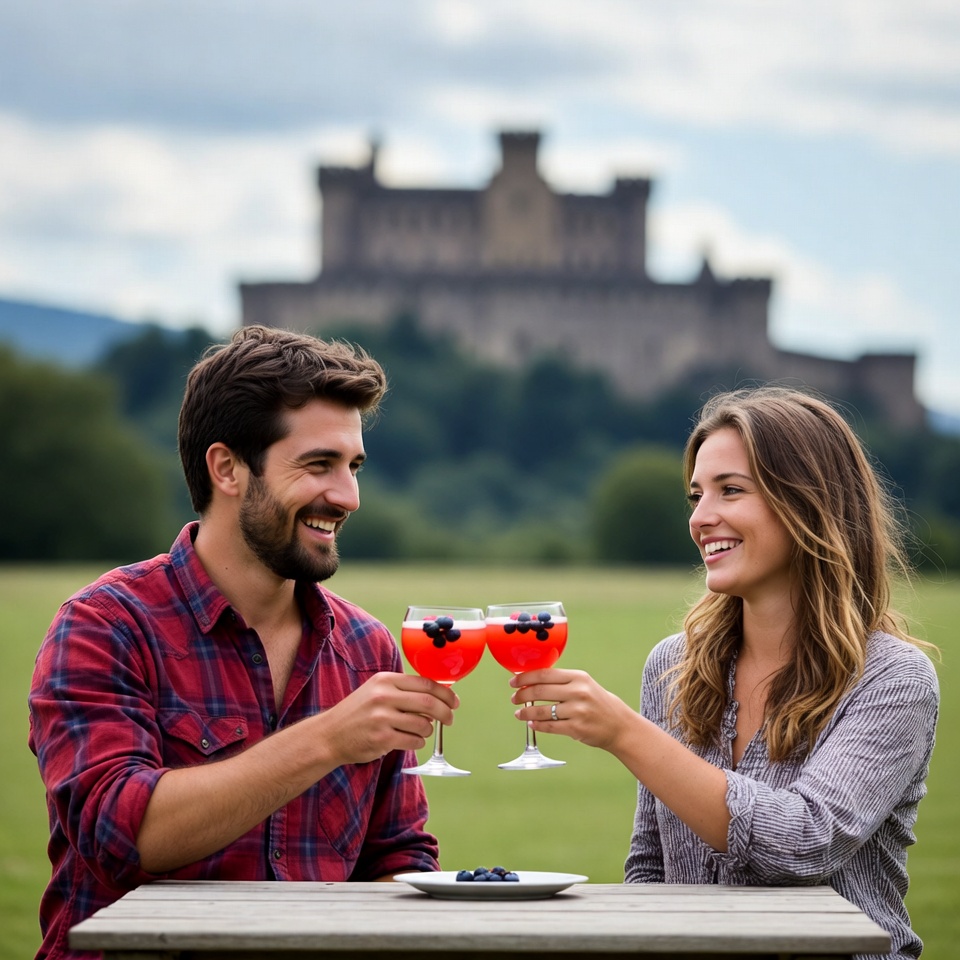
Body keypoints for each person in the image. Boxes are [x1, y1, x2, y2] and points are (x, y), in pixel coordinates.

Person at [28, 325, 457, 960]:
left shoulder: (367, 648)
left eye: (353, 466)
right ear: (227, 468)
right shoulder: (105, 627)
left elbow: (398, 855)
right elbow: (123, 835)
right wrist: (329, 739)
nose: (348, 496)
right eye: (319, 465)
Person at [512, 386, 939, 960]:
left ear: (809, 503)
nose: (700, 517)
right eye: (695, 495)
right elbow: (650, 869)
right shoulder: (674, 664)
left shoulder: (893, 679)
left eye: (730, 491)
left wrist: (624, 734)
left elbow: (803, 844)